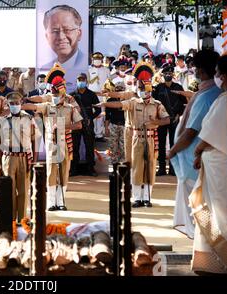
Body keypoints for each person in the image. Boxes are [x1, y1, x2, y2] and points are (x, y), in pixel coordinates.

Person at [98, 62, 170, 208]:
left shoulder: (156, 104)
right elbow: (119, 101)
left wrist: (155, 122)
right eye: (141, 87)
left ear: (150, 89)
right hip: (134, 135)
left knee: (150, 167)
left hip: (150, 137)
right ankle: (137, 197)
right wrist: (104, 102)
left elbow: (166, 119)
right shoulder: (132, 98)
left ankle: (147, 197)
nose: (143, 90)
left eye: (146, 88)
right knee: (135, 166)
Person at [189, 54, 227, 274]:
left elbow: (208, 135)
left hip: (219, 166)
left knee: (219, 211)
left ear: (225, 76)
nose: (216, 76)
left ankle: (220, 262)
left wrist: (197, 152)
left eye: (218, 72)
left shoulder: (226, 101)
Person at [168, 50, 221, 239]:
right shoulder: (211, 92)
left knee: (199, 208)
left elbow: (191, 132)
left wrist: (172, 151)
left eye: (195, 68)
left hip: (194, 160)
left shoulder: (207, 96)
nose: (194, 72)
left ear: (201, 71)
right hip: (197, 159)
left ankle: (205, 244)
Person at [22, 64, 83, 211]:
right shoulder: (48, 101)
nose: (54, 96)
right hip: (51, 141)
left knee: (63, 170)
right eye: (53, 93)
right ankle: (51, 202)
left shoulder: (70, 103)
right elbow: (36, 103)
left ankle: (61, 201)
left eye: (57, 94)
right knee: (51, 170)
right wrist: (23, 103)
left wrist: (64, 127)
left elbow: (79, 123)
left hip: (65, 140)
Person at [0, 92, 34, 222]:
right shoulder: (3, 121)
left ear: (21, 104)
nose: (14, 106)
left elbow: (34, 140)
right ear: (8, 105)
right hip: (8, 158)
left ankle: (22, 219)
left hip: (24, 157)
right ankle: (10, 219)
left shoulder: (29, 119)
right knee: (9, 190)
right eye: (11, 104)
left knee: (23, 190)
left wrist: (33, 160)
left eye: (17, 103)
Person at [152, 64, 187, 176]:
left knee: (174, 143)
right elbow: (154, 103)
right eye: (166, 73)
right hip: (162, 120)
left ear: (173, 75)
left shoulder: (178, 87)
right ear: (162, 75)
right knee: (161, 144)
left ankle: (173, 168)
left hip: (174, 119)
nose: (168, 75)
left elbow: (183, 103)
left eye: (170, 73)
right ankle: (161, 168)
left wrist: (178, 115)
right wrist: (157, 116)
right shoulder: (158, 88)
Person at [69, 73, 101, 176]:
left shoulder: (91, 94)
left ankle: (90, 169)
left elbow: (98, 109)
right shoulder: (72, 95)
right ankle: (73, 169)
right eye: (79, 79)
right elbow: (68, 110)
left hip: (88, 124)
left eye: (83, 79)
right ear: (76, 81)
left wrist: (90, 119)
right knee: (75, 146)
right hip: (76, 124)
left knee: (89, 146)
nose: (81, 81)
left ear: (86, 81)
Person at [40, 5, 86, 70]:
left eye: (67, 30)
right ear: (47, 37)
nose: (61, 37)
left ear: (79, 34)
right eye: (55, 31)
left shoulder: (87, 65)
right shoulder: (44, 69)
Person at [88, 52, 110, 142]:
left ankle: (99, 135)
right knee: (92, 113)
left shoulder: (106, 70)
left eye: (99, 59)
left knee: (101, 114)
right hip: (91, 95)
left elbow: (109, 82)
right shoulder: (88, 69)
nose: (97, 61)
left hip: (102, 95)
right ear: (92, 60)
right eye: (95, 59)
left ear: (101, 60)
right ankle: (92, 133)